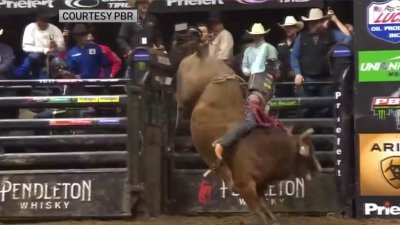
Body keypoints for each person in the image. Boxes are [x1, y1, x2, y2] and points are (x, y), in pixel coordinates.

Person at [213, 23, 280, 162]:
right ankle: (223, 143)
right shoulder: (259, 50)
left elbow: (250, 69)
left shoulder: (260, 50)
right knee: (252, 122)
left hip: (257, 87)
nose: (256, 37)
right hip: (258, 89)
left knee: (257, 124)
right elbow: (273, 70)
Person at [290, 8, 351, 117]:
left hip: (326, 79)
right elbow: (294, 56)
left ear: (321, 22)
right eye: (310, 23)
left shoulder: (332, 34)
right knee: (305, 108)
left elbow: (349, 38)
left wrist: (336, 20)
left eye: (315, 22)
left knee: (326, 108)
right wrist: (297, 73)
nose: (312, 25)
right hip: (307, 79)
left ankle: (322, 131)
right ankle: (308, 131)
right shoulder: (302, 37)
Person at [20, 9, 65, 78]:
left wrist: (56, 46)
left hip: (52, 55)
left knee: (59, 62)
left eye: (46, 20)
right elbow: (26, 47)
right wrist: (43, 50)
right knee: (28, 63)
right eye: (42, 19)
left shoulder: (55, 29)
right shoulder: (30, 27)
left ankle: (56, 85)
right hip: (35, 55)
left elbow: (62, 48)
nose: (44, 22)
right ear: (37, 18)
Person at [276, 16, 304, 98]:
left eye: (290, 27)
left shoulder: (301, 43)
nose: (288, 29)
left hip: (297, 80)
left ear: (296, 28)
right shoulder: (280, 44)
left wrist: (297, 73)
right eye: (286, 27)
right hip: (282, 82)